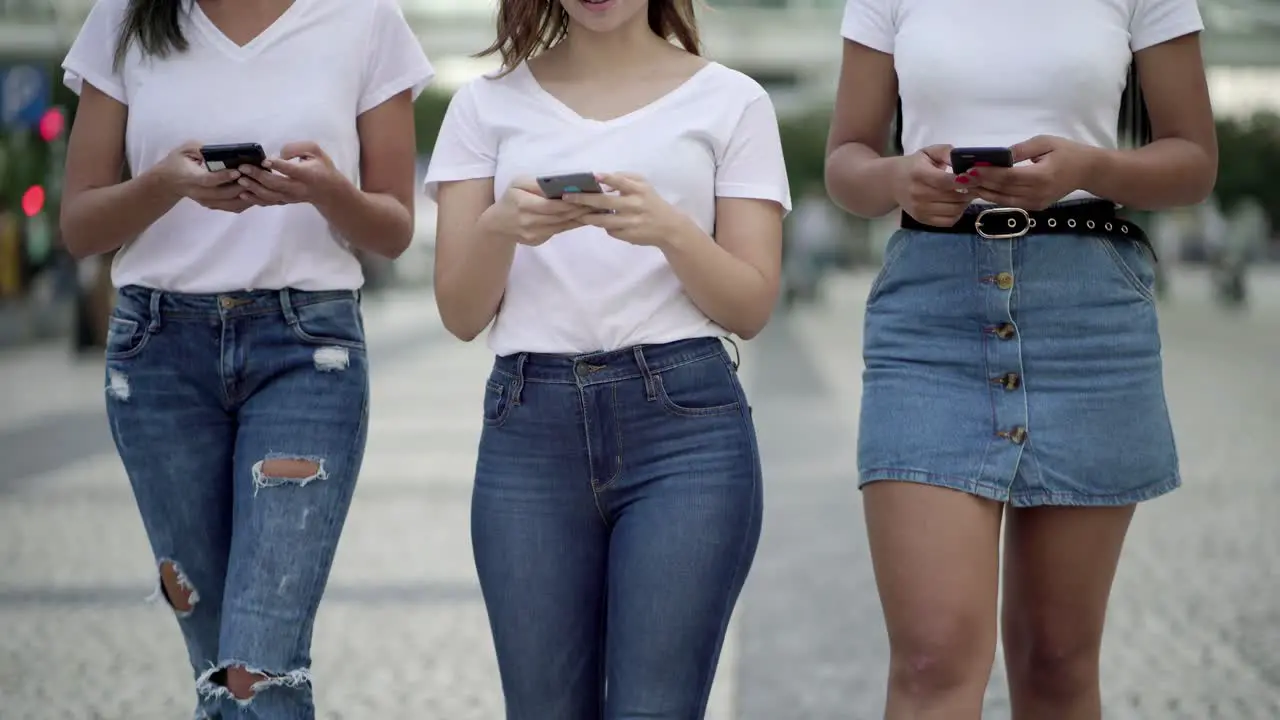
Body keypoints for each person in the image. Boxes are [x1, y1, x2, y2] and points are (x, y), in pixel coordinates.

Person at [825, 1, 1216, 718]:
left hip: (1088, 318)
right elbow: (846, 160)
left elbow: (1192, 161)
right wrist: (896, 180)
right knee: (929, 656)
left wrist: (1091, 166)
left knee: (1057, 659)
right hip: (930, 321)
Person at [59, 0, 432, 715]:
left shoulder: (365, 19)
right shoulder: (126, 18)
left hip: (306, 353)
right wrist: (165, 185)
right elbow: (79, 226)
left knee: (257, 668)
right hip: (156, 356)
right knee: (219, 670)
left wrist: (326, 191)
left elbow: (392, 229)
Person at [424, 0, 791, 714]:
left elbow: (750, 307)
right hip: (529, 428)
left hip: (686, 430)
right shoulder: (483, 105)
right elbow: (460, 313)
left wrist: (670, 232)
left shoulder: (732, 101)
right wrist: (502, 227)